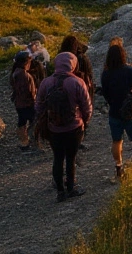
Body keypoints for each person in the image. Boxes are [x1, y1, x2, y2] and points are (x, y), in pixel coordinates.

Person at [35, 52, 92, 202]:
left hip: (54, 128)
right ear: (72, 64)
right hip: (74, 127)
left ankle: (60, 191)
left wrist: (44, 120)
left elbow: (39, 105)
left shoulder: (46, 83)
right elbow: (87, 107)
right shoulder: (78, 82)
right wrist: (85, 122)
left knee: (57, 158)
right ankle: (71, 188)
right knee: (71, 158)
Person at [100, 41, 132, 179]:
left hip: (114, 111)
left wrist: (112, 103)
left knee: (116, 141)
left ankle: (119, 165)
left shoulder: (106, 74)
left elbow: (105, 93)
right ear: (123, 55)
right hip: (129, 111)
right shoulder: (130, 71)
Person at [9, 51, 38, 151]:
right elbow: (28, 91)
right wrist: (34, 99)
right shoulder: (24, 75)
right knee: (34, 122)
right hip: (27, 104)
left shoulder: (15, 72)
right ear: (26, 63)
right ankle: (31, 142)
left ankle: (23, 142)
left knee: (22, 122)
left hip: (19, 104)